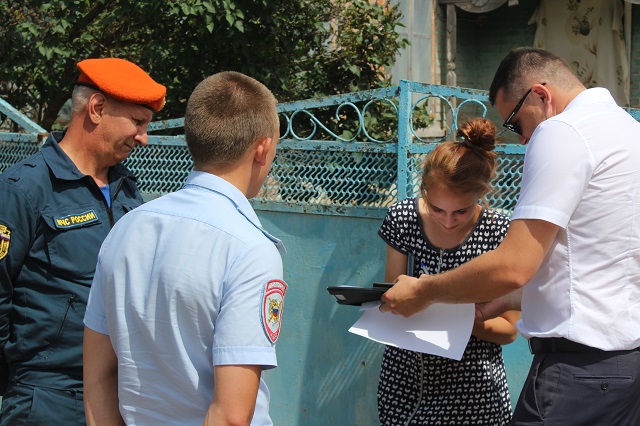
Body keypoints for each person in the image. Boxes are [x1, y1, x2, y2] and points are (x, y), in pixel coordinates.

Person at [380, 47, 640, 425]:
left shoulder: (562, 130)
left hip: (574, 373)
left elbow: (513, 265)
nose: (521, 140)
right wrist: (508, 300)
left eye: (516, 124)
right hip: (623, 368)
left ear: (540, 94)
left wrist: (424, 291)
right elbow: (600, 262)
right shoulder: (627, 130)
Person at [83, 71, 287, 425]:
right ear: (263, 149)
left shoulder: (125, 229)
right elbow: (230, 415)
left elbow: (98, 379)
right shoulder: (250, 249)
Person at [0, 58, 165, 425]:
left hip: (119, 395)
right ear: (97, 108)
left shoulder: (128, 191)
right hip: (49, 398)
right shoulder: (26, 189)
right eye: (137, 122)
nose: (143, 137)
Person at [377, 117, 519, 425]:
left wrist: (459, 317)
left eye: (462, 211)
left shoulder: (498, 231)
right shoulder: (403, 218)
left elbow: (509, 329)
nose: (449, 221)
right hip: (404, 384)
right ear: (424, 191)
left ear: (481, 194)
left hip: (475, 391)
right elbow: (393, 296)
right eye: (437, 209)